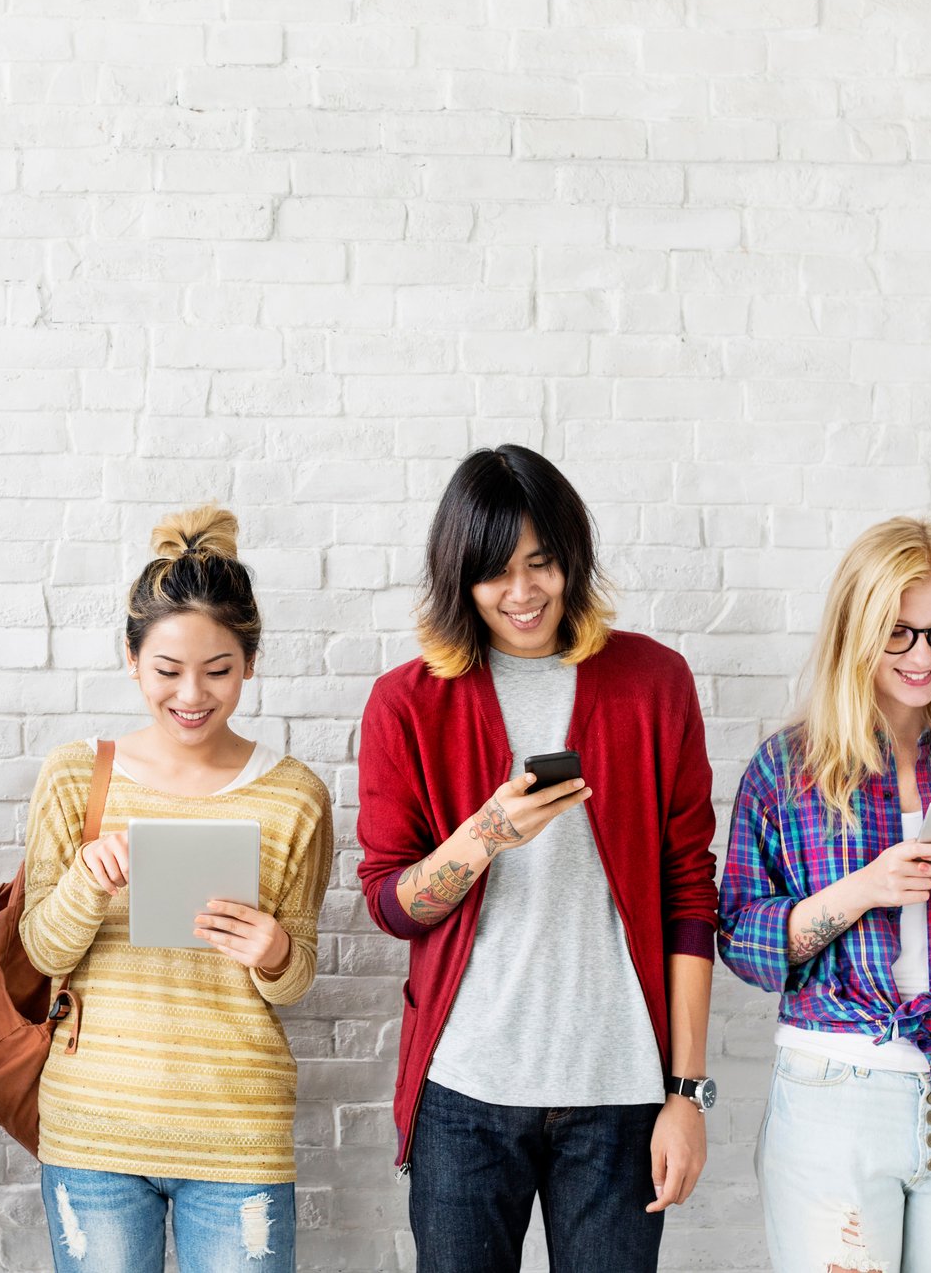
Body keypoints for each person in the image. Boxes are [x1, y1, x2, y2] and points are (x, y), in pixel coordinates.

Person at [355, 445, 720, 1273]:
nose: (522, 594)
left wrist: (686, 1094)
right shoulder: (407, 701)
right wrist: (484, 834)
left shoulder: (653, 682)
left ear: (571, 558)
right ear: (460, 579)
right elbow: (391, 905)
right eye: (494, 573)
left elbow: (689, 897)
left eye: (541, 563)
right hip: (465, 1095)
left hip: (620, 1091)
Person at [719, 518, 931, 1272]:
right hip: (834, 1091)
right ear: (856, 629)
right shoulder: (786, 770)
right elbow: (745, 944)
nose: (922, 657)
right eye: (898, 633)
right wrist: (863, 890)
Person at [17, 506, 333, 1273]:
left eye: (218, 671)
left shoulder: (295, 795)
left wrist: (276, 950)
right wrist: (87, 887)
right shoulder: (74, 776)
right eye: (167, 671)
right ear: (132, 660)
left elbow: (296, 981)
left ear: (250, 664)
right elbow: (39, 947)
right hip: (94, 1127)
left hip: (238, 1130)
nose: (192, 695)